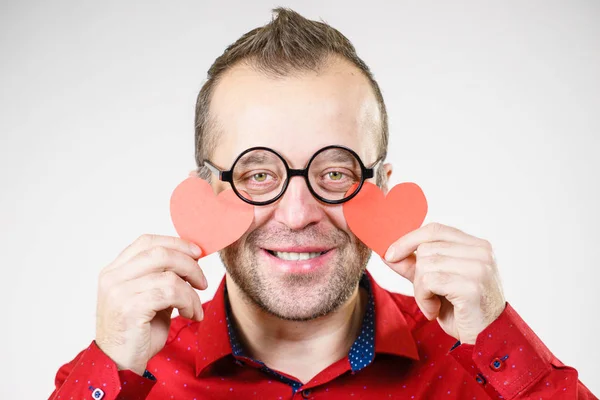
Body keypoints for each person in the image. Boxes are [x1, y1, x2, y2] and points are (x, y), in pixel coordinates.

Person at [49, 8, 596, 400]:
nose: (297, 213)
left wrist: (498, 336)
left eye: (334, 173)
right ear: (208, 191)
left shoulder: (476, 363)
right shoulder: (131, 369)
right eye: (258, 175)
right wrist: (113, 364)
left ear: (380, 185)